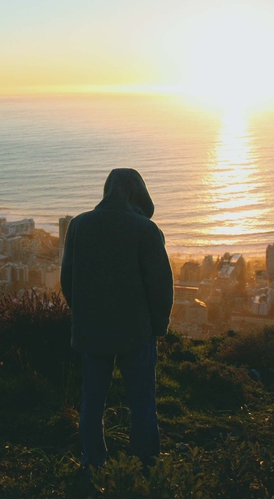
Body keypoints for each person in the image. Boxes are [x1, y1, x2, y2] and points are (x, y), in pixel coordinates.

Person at [60, 168, 174, 470]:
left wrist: (82, 312)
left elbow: (67, 277)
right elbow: (160, 285)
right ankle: (145, 463)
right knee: (141, 401)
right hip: (136, 331)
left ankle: (92, 462)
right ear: (139, 194)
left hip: (91, 329)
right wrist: (159, 325)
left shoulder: (79, 225)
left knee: (92, 401)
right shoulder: (145, 230)